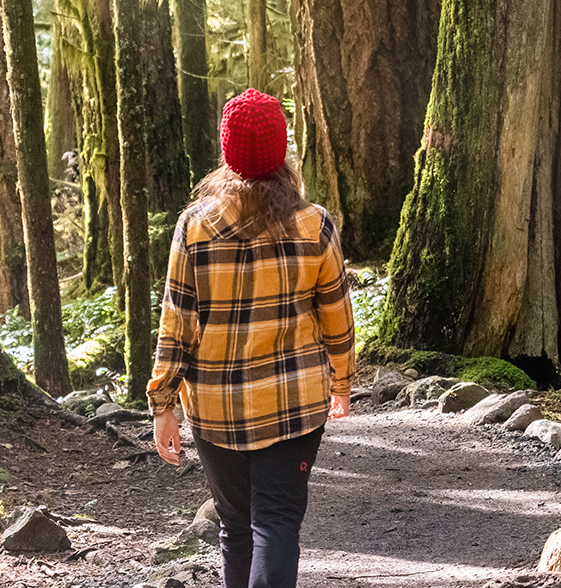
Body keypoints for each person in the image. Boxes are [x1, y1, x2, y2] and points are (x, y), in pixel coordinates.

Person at [147, 88, 356, 588]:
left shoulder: (194, 227)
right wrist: (343, 382)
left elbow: (176, 323)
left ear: (227, 152)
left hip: (216, 411)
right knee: (277, 523)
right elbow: (337, 317)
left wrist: (163, 403)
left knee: (236, 530)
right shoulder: (314, 225)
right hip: (294, 405)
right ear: (281, 150)